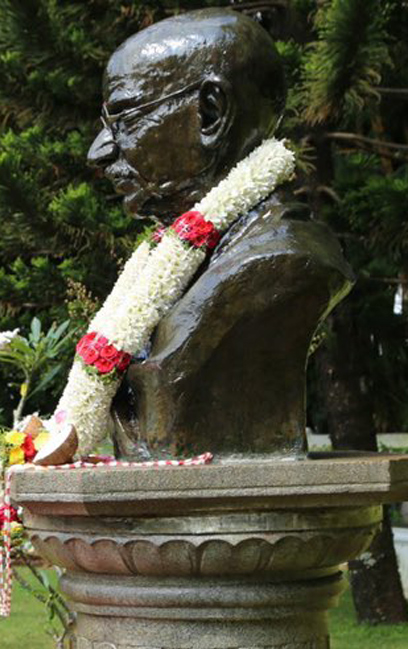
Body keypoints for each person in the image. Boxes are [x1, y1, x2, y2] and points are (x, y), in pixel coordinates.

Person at [88, 9, 353, 460]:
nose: (99, 150)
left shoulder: (280, 259)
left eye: (126, 119)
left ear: (210, 113)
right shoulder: (178, 258)